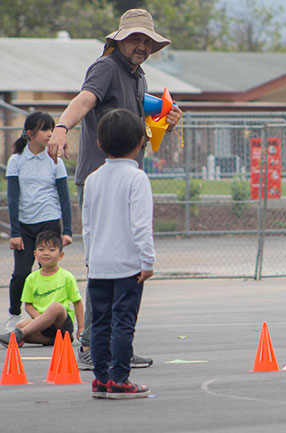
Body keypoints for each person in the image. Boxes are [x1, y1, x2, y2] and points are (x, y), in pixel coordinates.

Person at [47, 8, 181, 369]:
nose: (141, 46)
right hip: (99, 176)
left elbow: (145, 134)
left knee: (125, 265)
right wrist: (61, 128)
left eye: (147, 41)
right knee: (106, 262)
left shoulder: (139, 77)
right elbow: (84, 100)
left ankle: (118, 344)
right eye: (135, 39)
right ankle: (93, 346)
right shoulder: (105, 67)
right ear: (118, 40)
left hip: (129, 174)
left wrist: (165, 123)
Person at [83, 108, 155, 399]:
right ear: (140, 142)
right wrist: (147, 261)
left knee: (100, 323)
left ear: (99, 144)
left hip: (99, 265)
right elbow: (141, 225)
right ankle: (120, 378)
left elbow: (87, 226)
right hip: (127, 266)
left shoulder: (92, 179)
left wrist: (90, 258)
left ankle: (101, 378)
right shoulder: (137, 179)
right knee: (123, 323)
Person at [4, 112, 72, 333]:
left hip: (49, 224)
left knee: (49, 272)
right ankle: (14, 315)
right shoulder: (16, 161)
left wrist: (67, 230)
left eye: (52, 129)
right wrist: (15, 232)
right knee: (22, 273)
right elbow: (13, 199)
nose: (50, 134)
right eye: (45, 129)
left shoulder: (55, 161)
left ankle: (49, 318)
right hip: (24, 227)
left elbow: (65, 198)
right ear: (31, 133)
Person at [0, 231, 82, 348]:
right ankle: (52, 340)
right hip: (42, 325)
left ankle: (20, 335)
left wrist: (81, 328)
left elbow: (77, 303)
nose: (46, 253)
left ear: (61, 255)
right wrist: (41, 320)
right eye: (41, 249)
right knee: (20, 324)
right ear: (35, 254)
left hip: (61, 324)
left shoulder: (67, 277)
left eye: (52, 250)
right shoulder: (31, 278)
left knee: (56, 307)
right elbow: (28, 305)